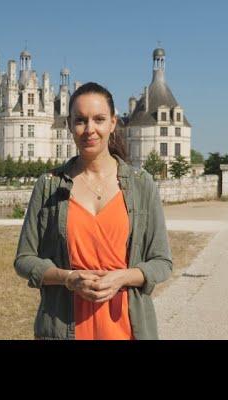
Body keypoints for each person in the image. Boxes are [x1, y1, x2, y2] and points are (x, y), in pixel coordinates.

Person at [14, 82, 172, 340]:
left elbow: (162, 262)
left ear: (113, 123)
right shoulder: (49, 185)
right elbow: (24, 259)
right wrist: (69, 279)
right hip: (64, 327)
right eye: (80, 121)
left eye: (99, 119)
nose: (90, 130)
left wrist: (123, 278)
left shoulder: (142, 184)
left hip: (127, 329)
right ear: (69, 125)